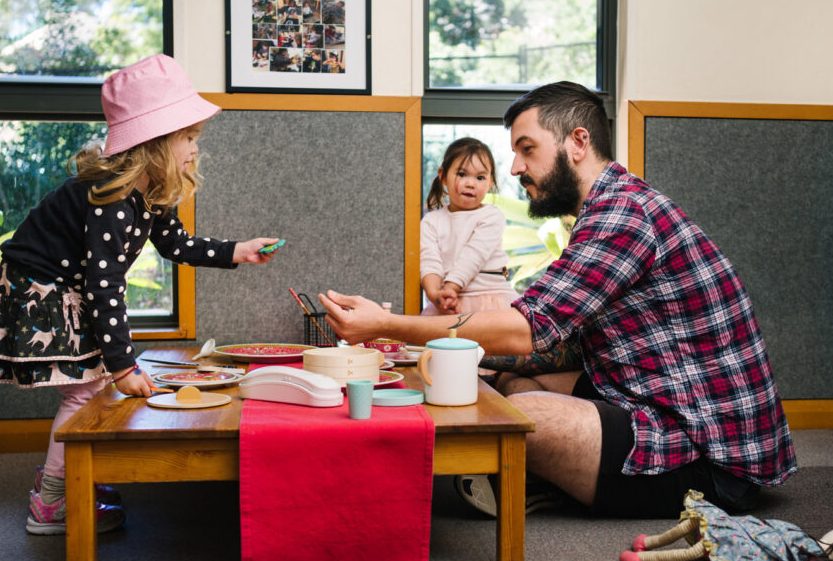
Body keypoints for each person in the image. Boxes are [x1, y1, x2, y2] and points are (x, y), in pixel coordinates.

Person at [319, 80, 796, 519]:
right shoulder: (605, 208)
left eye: (527, 150)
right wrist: (485, 361)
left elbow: (530, 327)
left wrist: (387, 325)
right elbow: (564, 341)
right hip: (649, 394)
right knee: (511, 384)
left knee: (520, 416)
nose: (515, 168)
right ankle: (546, 478)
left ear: (579, 142)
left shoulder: (622, 214)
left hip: (710, 456)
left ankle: (550, 479)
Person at [0, 54, 282, 535]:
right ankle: (53, 501)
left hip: (65, 288)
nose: (196, 150)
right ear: (154, 143)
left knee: (88, 389)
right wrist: (123, 366)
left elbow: (177, 245)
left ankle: (65, 483)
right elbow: (105, 286)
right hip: (43, 291)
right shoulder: (112, 200)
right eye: (189, 138)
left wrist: (238, 251)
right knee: (86, 392)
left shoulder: (148, 192)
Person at [420, 137, 518, 316]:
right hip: (449, 301)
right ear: (443, 175)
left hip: (491, 299)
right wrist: (436, 294)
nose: (471, 183)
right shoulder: (431, 221)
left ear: (489, 183)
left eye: (480, 177)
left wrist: (450, 287)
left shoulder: (492, 216)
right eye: (462, 174)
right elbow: (430, 263)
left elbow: (473, 256)